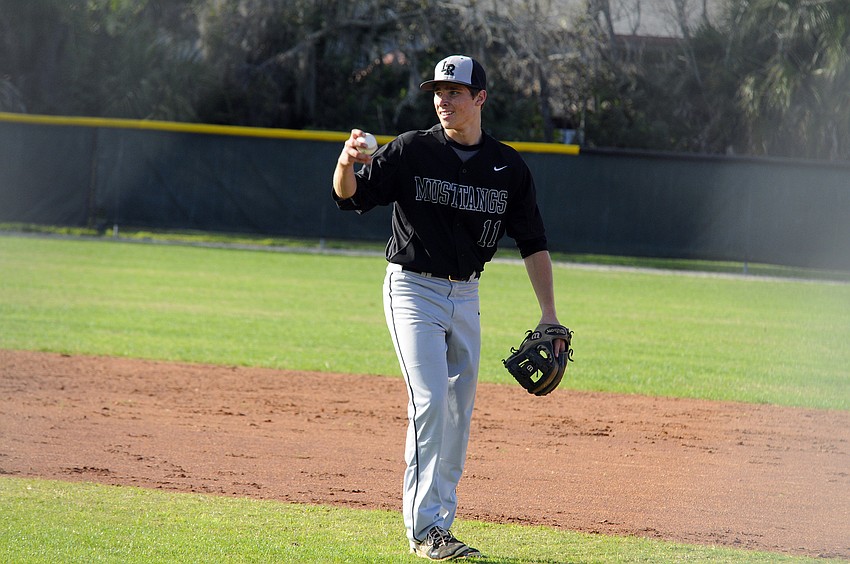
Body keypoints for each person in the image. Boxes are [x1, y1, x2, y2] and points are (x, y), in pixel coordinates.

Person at [332, 54, 567, 561]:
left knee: (459, 414)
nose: (443, 99)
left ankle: (442, 524)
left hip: (467, 295)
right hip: (413, 290)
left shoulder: (507, 167)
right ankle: (423, 531)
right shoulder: (412, 150)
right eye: (437, 91)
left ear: (479, 98)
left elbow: (533, 241)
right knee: (431, 401)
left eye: (454, 91)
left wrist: (549, 314)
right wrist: (345, 163)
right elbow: (351, 198)